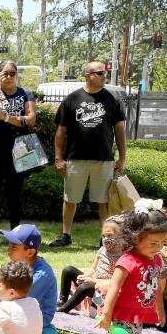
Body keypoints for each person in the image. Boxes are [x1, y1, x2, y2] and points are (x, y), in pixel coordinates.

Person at [95, 203, 167, 334]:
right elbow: (113, 287)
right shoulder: (127, 260)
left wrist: (160, 310)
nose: (158, 247)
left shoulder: (155, 260)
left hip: (135, 318)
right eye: (153, 242)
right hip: (120, 317)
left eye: (162, 242)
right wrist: (106, 315)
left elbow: (156, 289)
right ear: (136, 238)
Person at [49, 61, 127, 248]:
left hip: (104, 159)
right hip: (76, 159)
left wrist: (122, 157)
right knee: (70, 200)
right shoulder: (72, 99)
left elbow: (120, 130)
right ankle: (66, 235)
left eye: (105, 73)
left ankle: (106, 237)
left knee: (104, 201)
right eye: (100, 73)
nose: (104, 76)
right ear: (88, 75)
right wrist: (58, 158)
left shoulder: (112, 99)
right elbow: (60, 132)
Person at [0, 60, 37, 247]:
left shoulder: (25, 94)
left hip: (19, 149)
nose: (9, 77)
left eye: (12, 73)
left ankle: (16, 234)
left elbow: (31, 120)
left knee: (15, 193)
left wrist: (6, 117)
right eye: (5, 73)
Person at [0, 224, 58, 334]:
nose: (8, 250)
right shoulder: (21, 265)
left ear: (30, 252)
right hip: (11, 306)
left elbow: (11, 306)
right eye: (9, 245)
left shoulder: (40, 275)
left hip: (28, 316)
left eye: (14, 247)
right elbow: (4, 292)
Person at [57, 213, 125, 314]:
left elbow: (115, 282)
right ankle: (62, 300)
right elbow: (93, 269)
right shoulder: (102, 250)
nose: (105, 239)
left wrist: (92, 281)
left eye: (109, 235)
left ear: (121, 236)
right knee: (68, 270)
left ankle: (64, 309)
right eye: (103, 236)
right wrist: (85, 276)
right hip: (93, 281)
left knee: (85, 287)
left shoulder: (123, 257)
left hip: (103, 290)